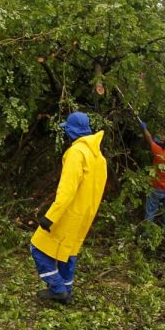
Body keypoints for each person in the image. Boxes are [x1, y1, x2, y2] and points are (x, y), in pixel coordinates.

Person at [30, 112, 107, 304]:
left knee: (37, 247)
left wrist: (50, 217)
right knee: (68, 251)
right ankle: (67, 290)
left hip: (68, 213)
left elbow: (67, 190)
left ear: (72, 131)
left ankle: (58, 289)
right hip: (85, 216)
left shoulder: (76, 153)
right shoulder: (100, 158)